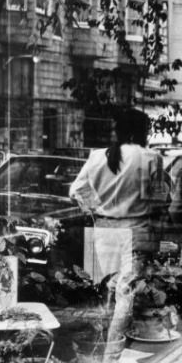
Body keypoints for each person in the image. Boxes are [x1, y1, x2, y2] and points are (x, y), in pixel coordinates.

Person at [69, 107, 169, 282]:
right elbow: (158, 200)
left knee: (108, 285)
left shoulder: (97, 156)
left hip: (104, 230)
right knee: (129, 288)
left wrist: (96, 207)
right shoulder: (151, 158)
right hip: (137, 230)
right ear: (138, 132)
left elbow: (76, 191)